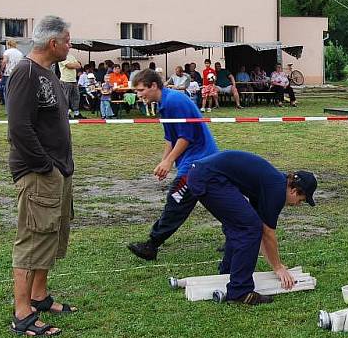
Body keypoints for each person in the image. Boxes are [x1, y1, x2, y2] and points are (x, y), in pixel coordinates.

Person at [7, 16, 76, 337]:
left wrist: (60, 168)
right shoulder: (25, 73)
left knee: (52, 233)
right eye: (67, 41)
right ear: (53, 43)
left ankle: (39, 296)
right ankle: (22, 313)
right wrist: (45, 167)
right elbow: (19, 127)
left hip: (58, 171)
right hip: (38, 173)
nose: (69, 46)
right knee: (34, 237)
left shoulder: (48, 72)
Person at [185, 151, 316, 304]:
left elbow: (262, 233)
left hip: (202, 174)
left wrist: (275, 264)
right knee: (249, 228)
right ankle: (240, 291)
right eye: (301, 200)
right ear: (294, 190)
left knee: (242, 225)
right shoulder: (276, 191)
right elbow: (267, 233)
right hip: (209, 178)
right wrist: (278, 267)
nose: (297, 204)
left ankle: (227, 273)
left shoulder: (271, 183)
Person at [127, 68, 219, 261]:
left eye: (141, 90)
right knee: (219, 202)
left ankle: (151, 245)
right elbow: (171, 138)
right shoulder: (165, 103)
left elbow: (186, 137)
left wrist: (169, 162)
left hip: (199, 162)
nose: (138, 95)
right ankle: (239, 235)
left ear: (153, 86)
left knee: (176, 200)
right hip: (201, 161)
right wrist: (164, 161)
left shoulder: (173, 102)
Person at [58, 52, 82, 118]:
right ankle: (66, 114)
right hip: (65, 80)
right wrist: (74, 64)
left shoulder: (71, 56)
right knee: (66, 98)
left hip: (73, 80)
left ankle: (76, 113)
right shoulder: (61, 56)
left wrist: (73, 65)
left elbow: (79, 65)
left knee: (76, 97)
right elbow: (69, 65)